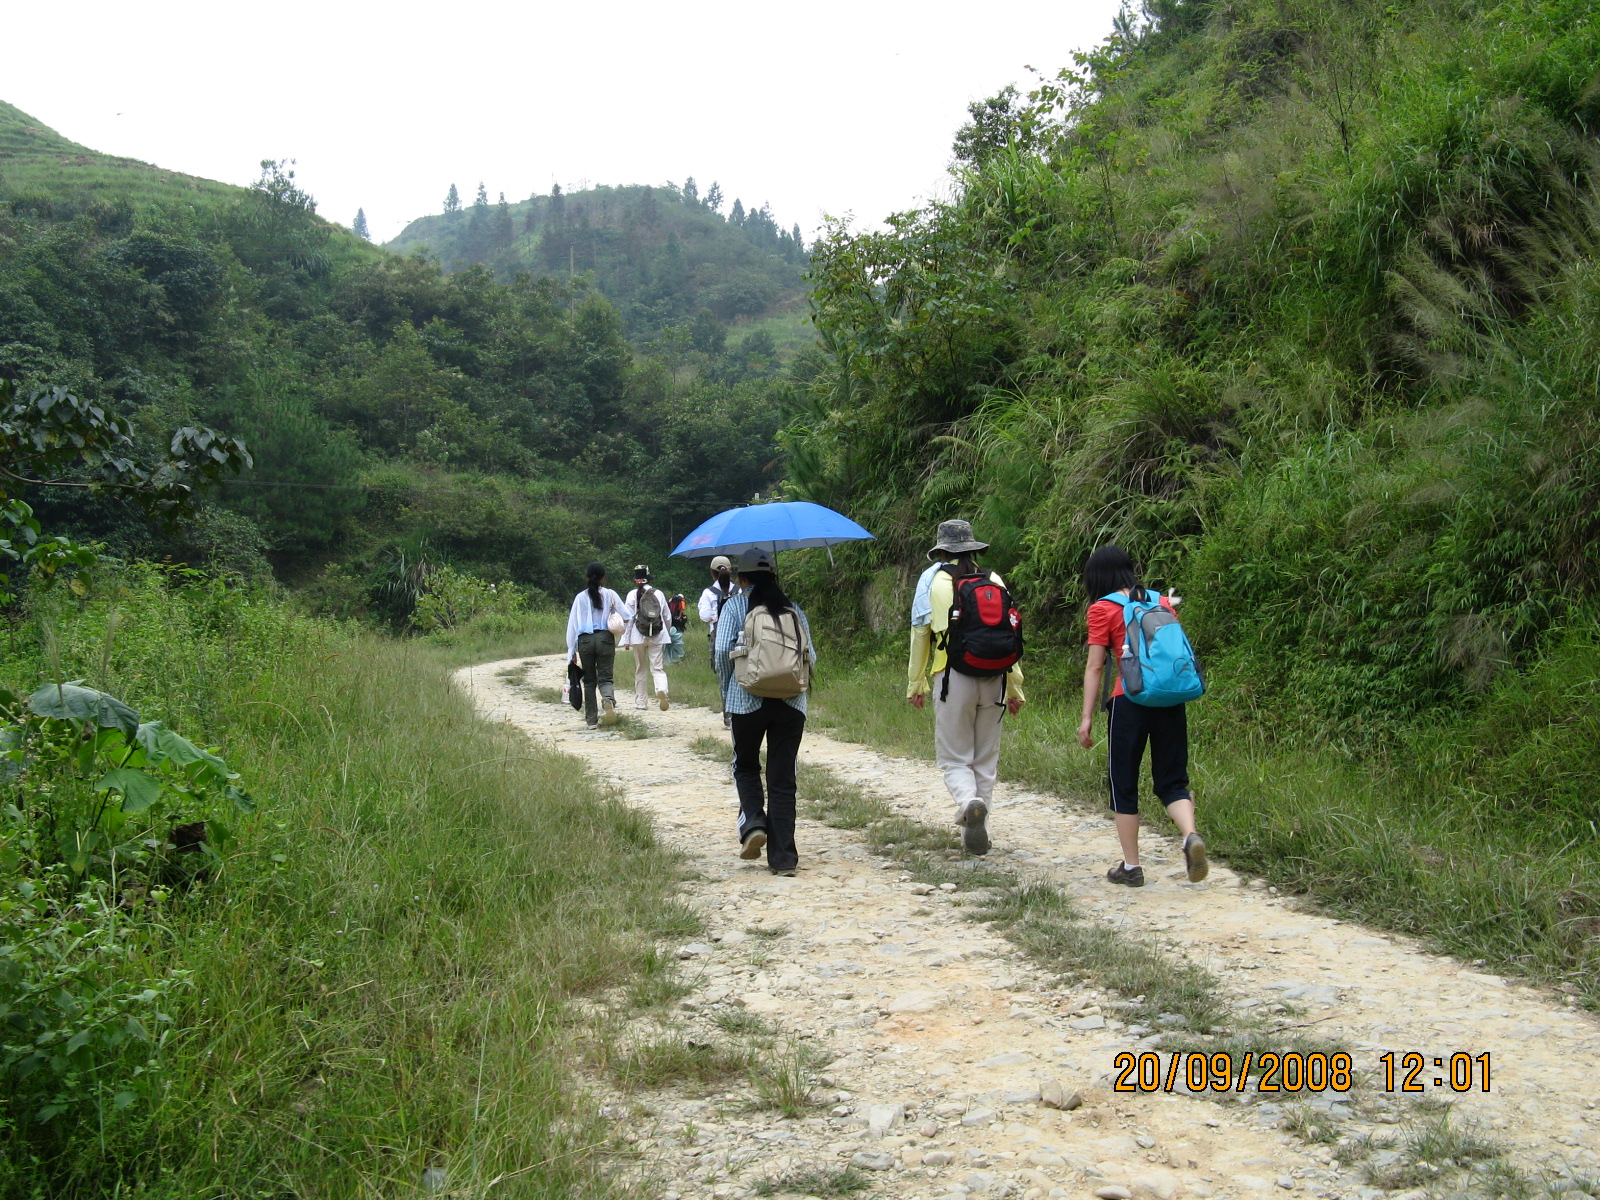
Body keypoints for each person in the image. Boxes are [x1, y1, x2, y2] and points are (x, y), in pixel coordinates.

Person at [1076, 545, 1208, 887]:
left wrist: (1087, 716)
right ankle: (1190, 835)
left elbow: (1095, 666)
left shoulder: (1102, 608)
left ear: (1097, 577)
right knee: (1173, 779)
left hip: (1128, 701)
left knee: (1124, 784)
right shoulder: (1161, 601)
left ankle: (1131, 867)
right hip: (1169, 700)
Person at [906, 519, 1025, 856]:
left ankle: (968, 802)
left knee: (955, 758)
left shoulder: (931, 580)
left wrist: (916, 682)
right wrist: (1016, 687)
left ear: (941, 550)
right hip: (996, 678)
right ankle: (979, 831)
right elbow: (1009, 636)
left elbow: (920, 633)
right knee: (985, 760)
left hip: (952, 677)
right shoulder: (994, 579)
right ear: (973, 547)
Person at [714, 547, 815, 876]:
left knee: (745, 766)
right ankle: (784, 858)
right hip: (791, 704)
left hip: (746, 700)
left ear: (741, 578)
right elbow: (809, 656)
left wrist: (727, 696)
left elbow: (721, 654)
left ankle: (754, 823)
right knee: (783, 779)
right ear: (774, 576)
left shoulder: (734, 606)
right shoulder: (793, 608)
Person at [565, 562, 631, 728]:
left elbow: (573, 625)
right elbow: (627, 616)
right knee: (606, 677)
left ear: (587, 577)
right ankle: (608, 701)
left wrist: (571, 650)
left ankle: (592, 720)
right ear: (603, 578)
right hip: (605, 639)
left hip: (585, 641)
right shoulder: (610, 594)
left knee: (589, 681)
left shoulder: (580, 598)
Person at [622, 564, 672, 711]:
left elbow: (629, 618)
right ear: (649, 577)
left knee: (640, 668)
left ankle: (641, 702)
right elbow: (667, 617)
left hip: (638, 636)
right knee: (657, 668)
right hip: (657, 634)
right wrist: (665, 633)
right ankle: (661, 690)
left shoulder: (631, 595)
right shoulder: (659, 594)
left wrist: (626, 639)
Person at [698, 555, 738, 728]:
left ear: (712, 573)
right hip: (740, 637)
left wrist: (716, 616)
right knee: (741, 674)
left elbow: (704, 616)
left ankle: (728, 717)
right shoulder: (739, 590)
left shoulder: (708, 593)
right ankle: (740, 713)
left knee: (724, 677)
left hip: (718, 637)